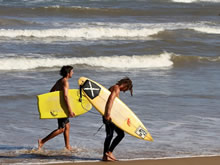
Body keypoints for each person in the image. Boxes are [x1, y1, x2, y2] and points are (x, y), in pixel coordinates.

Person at [38, 65, 75, 151]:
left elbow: (51, 92)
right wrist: (70, 110)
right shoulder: (65, 82)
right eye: (72, 71)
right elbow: (65, 96)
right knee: (61, 129)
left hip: (60, 106)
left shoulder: (59, 81)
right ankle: (42, 141)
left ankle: (67, 146)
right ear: (68, 73)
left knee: (67, 126)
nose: (73, 73)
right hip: (62, 108)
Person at [102, 77, 133, 161]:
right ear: (125, 85)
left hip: (111, 115)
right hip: (109, 115)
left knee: (116, 134)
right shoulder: (116, 88)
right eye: (126, 89)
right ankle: (107, 154)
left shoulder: (114, 87)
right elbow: (110, 100)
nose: (124, 91)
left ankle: (107, 154)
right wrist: (107, 114)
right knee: (112, 134)